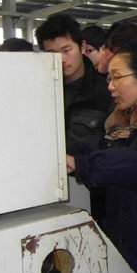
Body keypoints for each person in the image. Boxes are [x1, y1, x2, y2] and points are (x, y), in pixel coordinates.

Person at [66, 45, 137, 273]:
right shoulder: (121, 119)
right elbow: (98, 146)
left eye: (117, 78)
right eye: (109, 79)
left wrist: (83, 164)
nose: (110, 86)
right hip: (122, 239)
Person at [35, 14, 112, 221]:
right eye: (52, 53)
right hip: (46, 196)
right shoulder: (38, 93)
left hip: (95, 198)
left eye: (66, 50)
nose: (61, 59)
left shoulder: (106, 92)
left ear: (82, 46)